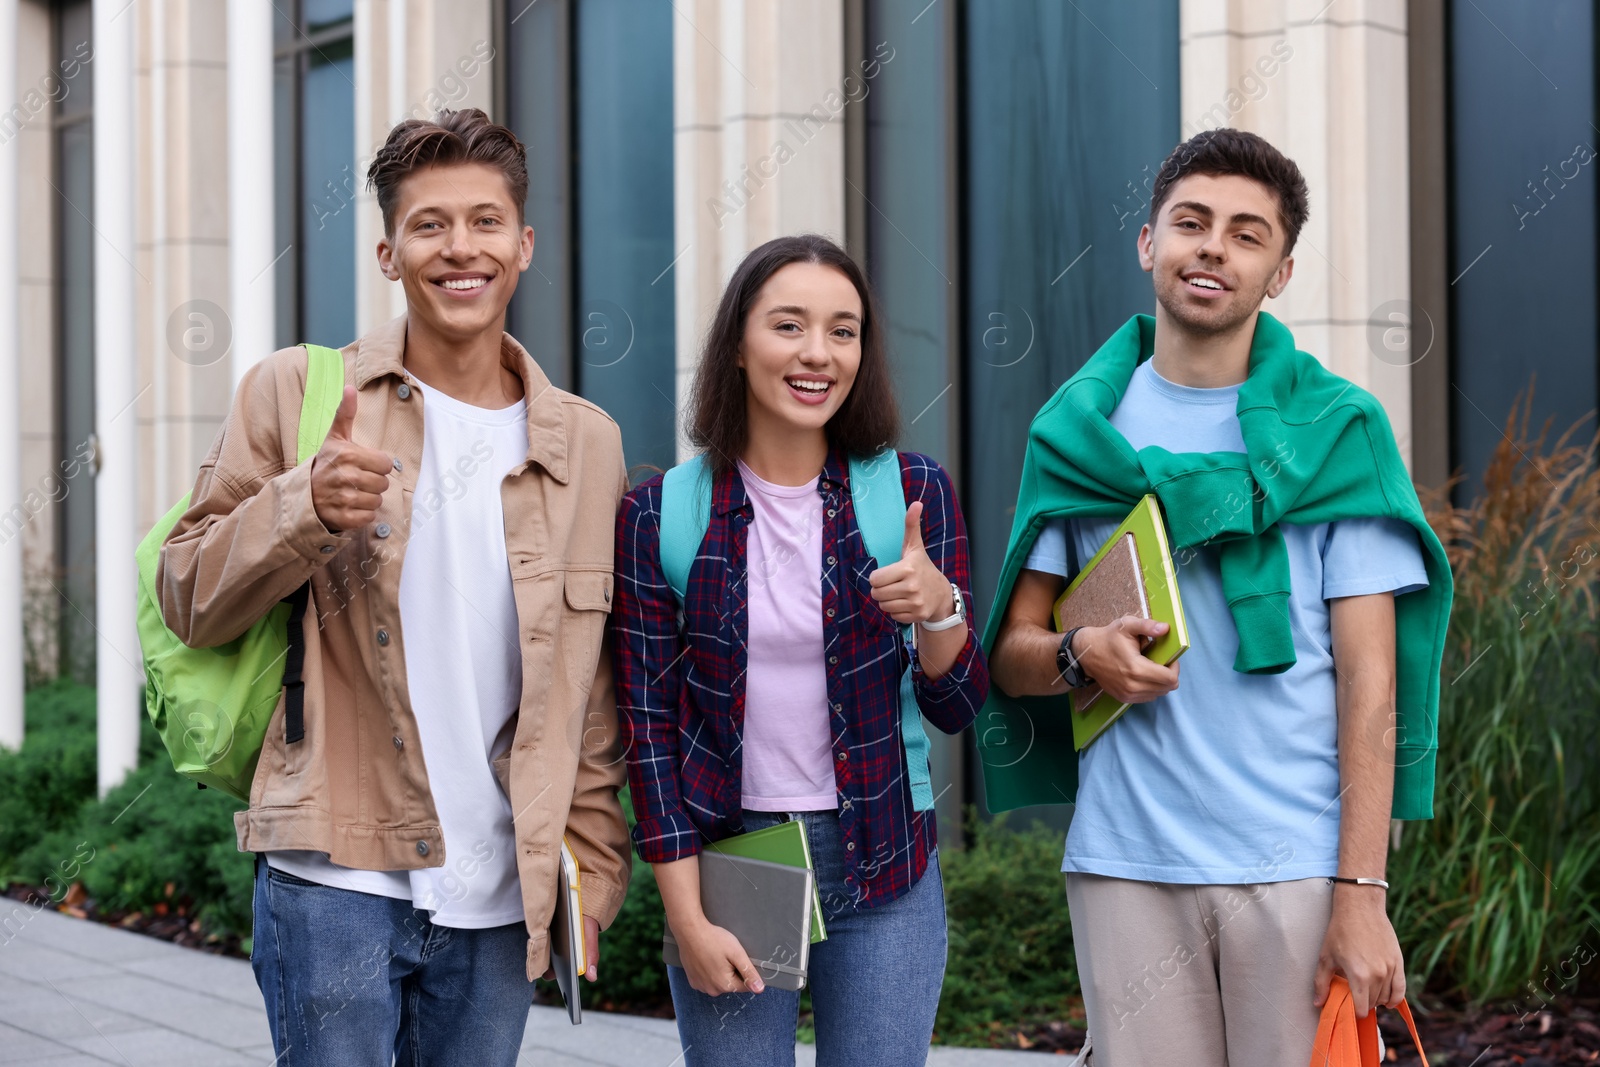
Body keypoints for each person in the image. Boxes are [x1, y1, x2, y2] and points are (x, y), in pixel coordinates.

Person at [157, 109, 632, 1066]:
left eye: (487, 222)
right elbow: (188, 595)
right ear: (388, 251)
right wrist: (301, 505)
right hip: (335, 873)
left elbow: (590, 691)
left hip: (502, 897)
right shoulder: (298, 393)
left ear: (524, 244)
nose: (461, 248)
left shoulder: (587, 443)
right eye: (430, 224)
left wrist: (591, 876)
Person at [985, 129, 1452, 1065]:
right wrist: (1083, 656)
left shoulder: (1335, 433)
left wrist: (1363, 892)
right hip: (1125, 860)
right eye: (1191, 222)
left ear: (1278, 273)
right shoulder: (1075, 431)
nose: (1213, 247)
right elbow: (1013, 649)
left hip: (1295, 867)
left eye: (1247, 234)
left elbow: (1370, 684)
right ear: (1147, 242)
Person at [612, 234, 988, 1066]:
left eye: (843, 330)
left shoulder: (913, 493)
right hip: (736, 858)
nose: (818, 352)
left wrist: (940, 608)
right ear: (738, 346)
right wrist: (687, 917)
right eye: (789, 325)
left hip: (884, 857)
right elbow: (649, 737)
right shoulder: (658, 516)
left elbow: (957, 703)